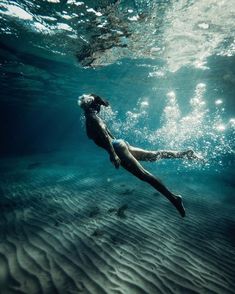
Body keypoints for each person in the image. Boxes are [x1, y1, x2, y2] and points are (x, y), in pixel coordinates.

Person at [78, 93, 202, 217]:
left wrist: (113, 154)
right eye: (99, 105)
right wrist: (120, 147)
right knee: (154, 155)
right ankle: (185, 154)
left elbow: (105, 136)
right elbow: (108, 135)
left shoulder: (91, 117)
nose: (100, 108)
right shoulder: (93, 116)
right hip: (119, 144)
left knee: (144, 175)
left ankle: (174, 199)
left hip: (117, 148)